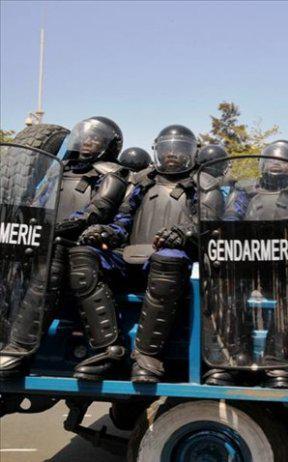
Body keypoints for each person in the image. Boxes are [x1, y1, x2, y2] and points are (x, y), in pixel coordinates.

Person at [69, 125, 223, 382]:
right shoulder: (142, 179)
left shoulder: (204, 183)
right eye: (167, 149)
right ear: (157, 151)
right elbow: (123, 221)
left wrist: (183, 234)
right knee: (84, 254)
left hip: (175, 261)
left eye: (178, 150)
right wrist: (106, 232)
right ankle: (109, 350)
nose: (172, 155)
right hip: (131, 255)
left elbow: (207, 224)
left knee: (168, 258)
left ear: (191, 152)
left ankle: (147, 356)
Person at [0, 117, 128, 378]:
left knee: (57, 256)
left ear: (110, 145)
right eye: (86, 136)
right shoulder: (58, 171)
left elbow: (97, 210)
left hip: (84, 241)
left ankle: (21, 349)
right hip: (45, 238)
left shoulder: (111, 174)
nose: (88, 141)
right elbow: (38, 202)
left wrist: (59, 228)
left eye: (96, 138)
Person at [204, 140, 288, 389]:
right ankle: (233, 357)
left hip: (285, 259)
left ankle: (277, 360)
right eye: (272, 159)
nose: (277, 164)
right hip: (247, 256)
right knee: (225, 286)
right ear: (263, 163)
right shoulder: (246, 189)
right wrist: (228, 233)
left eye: (283, 160)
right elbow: (231, 216)